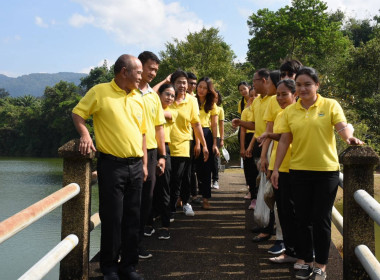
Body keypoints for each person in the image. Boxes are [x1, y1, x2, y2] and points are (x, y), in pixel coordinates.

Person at [271, 67, 363, 280]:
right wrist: (276, 169)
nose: (303, 89)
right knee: (301, 218)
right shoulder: (290, 111)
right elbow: (285, 140)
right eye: (299, 85)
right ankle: (305, 260)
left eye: (307, 84)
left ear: (317, 86)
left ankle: (321, 265)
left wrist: (349, 138)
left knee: (321, 219)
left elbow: (342, 127)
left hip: (326, 171)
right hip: (298, 171)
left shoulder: (330, 104)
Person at [71, 54, 147, 280]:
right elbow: (78, 113)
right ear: (124, 71)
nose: (141, 76)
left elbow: (142, 132)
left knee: (133, 218)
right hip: (111, 165)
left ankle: (129, 267)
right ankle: (110, 268)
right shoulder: (99, 91)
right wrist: (85, 134)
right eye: (139, 72)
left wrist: (143, 163)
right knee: (112, 218)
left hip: (135, 165)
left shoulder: (138, 97)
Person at [257, 79, 297, 264]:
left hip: (295, 167)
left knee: (296, 213)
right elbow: (281, 139)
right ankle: (290, 251)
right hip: (279, 167)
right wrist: (272, 166)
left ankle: (301, 253)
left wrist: (269, 135)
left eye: (284, 94)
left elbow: (288, 138)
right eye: (278, 95)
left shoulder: (300, 114)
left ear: (294, 94)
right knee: (283, 211)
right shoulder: (281, 114)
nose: (280, 98)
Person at [136, 51, 166, 259]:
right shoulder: (127, 92)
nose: (153, 73)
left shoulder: (153, 96)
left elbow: (159, 128)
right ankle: (121, 247)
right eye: (150, 68)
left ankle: (136, 244)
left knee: (146, 200)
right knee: (129, 202)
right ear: (140, 66)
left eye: (156, 70)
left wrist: (163, 156)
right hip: (131, 150)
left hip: (152, 150)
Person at [169, 70, 209, 219]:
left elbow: (196, 124)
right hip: (166, 144)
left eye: (184, 82)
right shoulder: (166, 97)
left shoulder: (192, 100)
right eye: (178, 82)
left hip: (185, 143)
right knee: (170, 179)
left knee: (184, 176)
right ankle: (170, 206)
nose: (182, 85)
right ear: (172, 83)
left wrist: (204, 145)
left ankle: (185, 203)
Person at [154, 83, 177, 240]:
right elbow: (150, 92)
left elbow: (156, 113)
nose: (170, 97)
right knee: (149, 190)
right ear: (159, 95)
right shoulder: (152, 106)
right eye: (167, 94)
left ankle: (165, 225)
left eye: (172, 95)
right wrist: (164, 81)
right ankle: (148, 224)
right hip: (148, 150)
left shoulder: (171, 112)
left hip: (164, 151)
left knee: (164, 188)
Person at [194, 77, 220, 209]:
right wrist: (197, 143)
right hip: (191, 133)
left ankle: (205, 199)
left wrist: (215, 143)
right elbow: (195, 122)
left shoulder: (212, 104)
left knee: (206, 169)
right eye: (200, 86)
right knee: (190, 169)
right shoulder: (191, 100)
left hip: (207, 134)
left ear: (209, 90)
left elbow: (214, 125)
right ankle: (184, 197)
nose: (201, 90)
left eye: (204, 88)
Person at [239, 87, 259, 209]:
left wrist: (251, 145)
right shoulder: (246, 111)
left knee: (258, 171)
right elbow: (242, 130)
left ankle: (259, 198)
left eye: (256, 95)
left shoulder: (263, 110)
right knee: (249, 170)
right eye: (251, 96)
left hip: (258, 139)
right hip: (247, 139)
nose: (254, 98)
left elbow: (259, 129)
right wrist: (242, 147)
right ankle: (253, 197)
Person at [211, 90, 225, 189]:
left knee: (214, 159)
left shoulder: (220, 109)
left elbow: (221, 125)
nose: (214, 99)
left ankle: (215, 180)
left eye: (216, 97)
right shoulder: (205, 108)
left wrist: (222, 139)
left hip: (217, 136)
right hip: (206, 135)